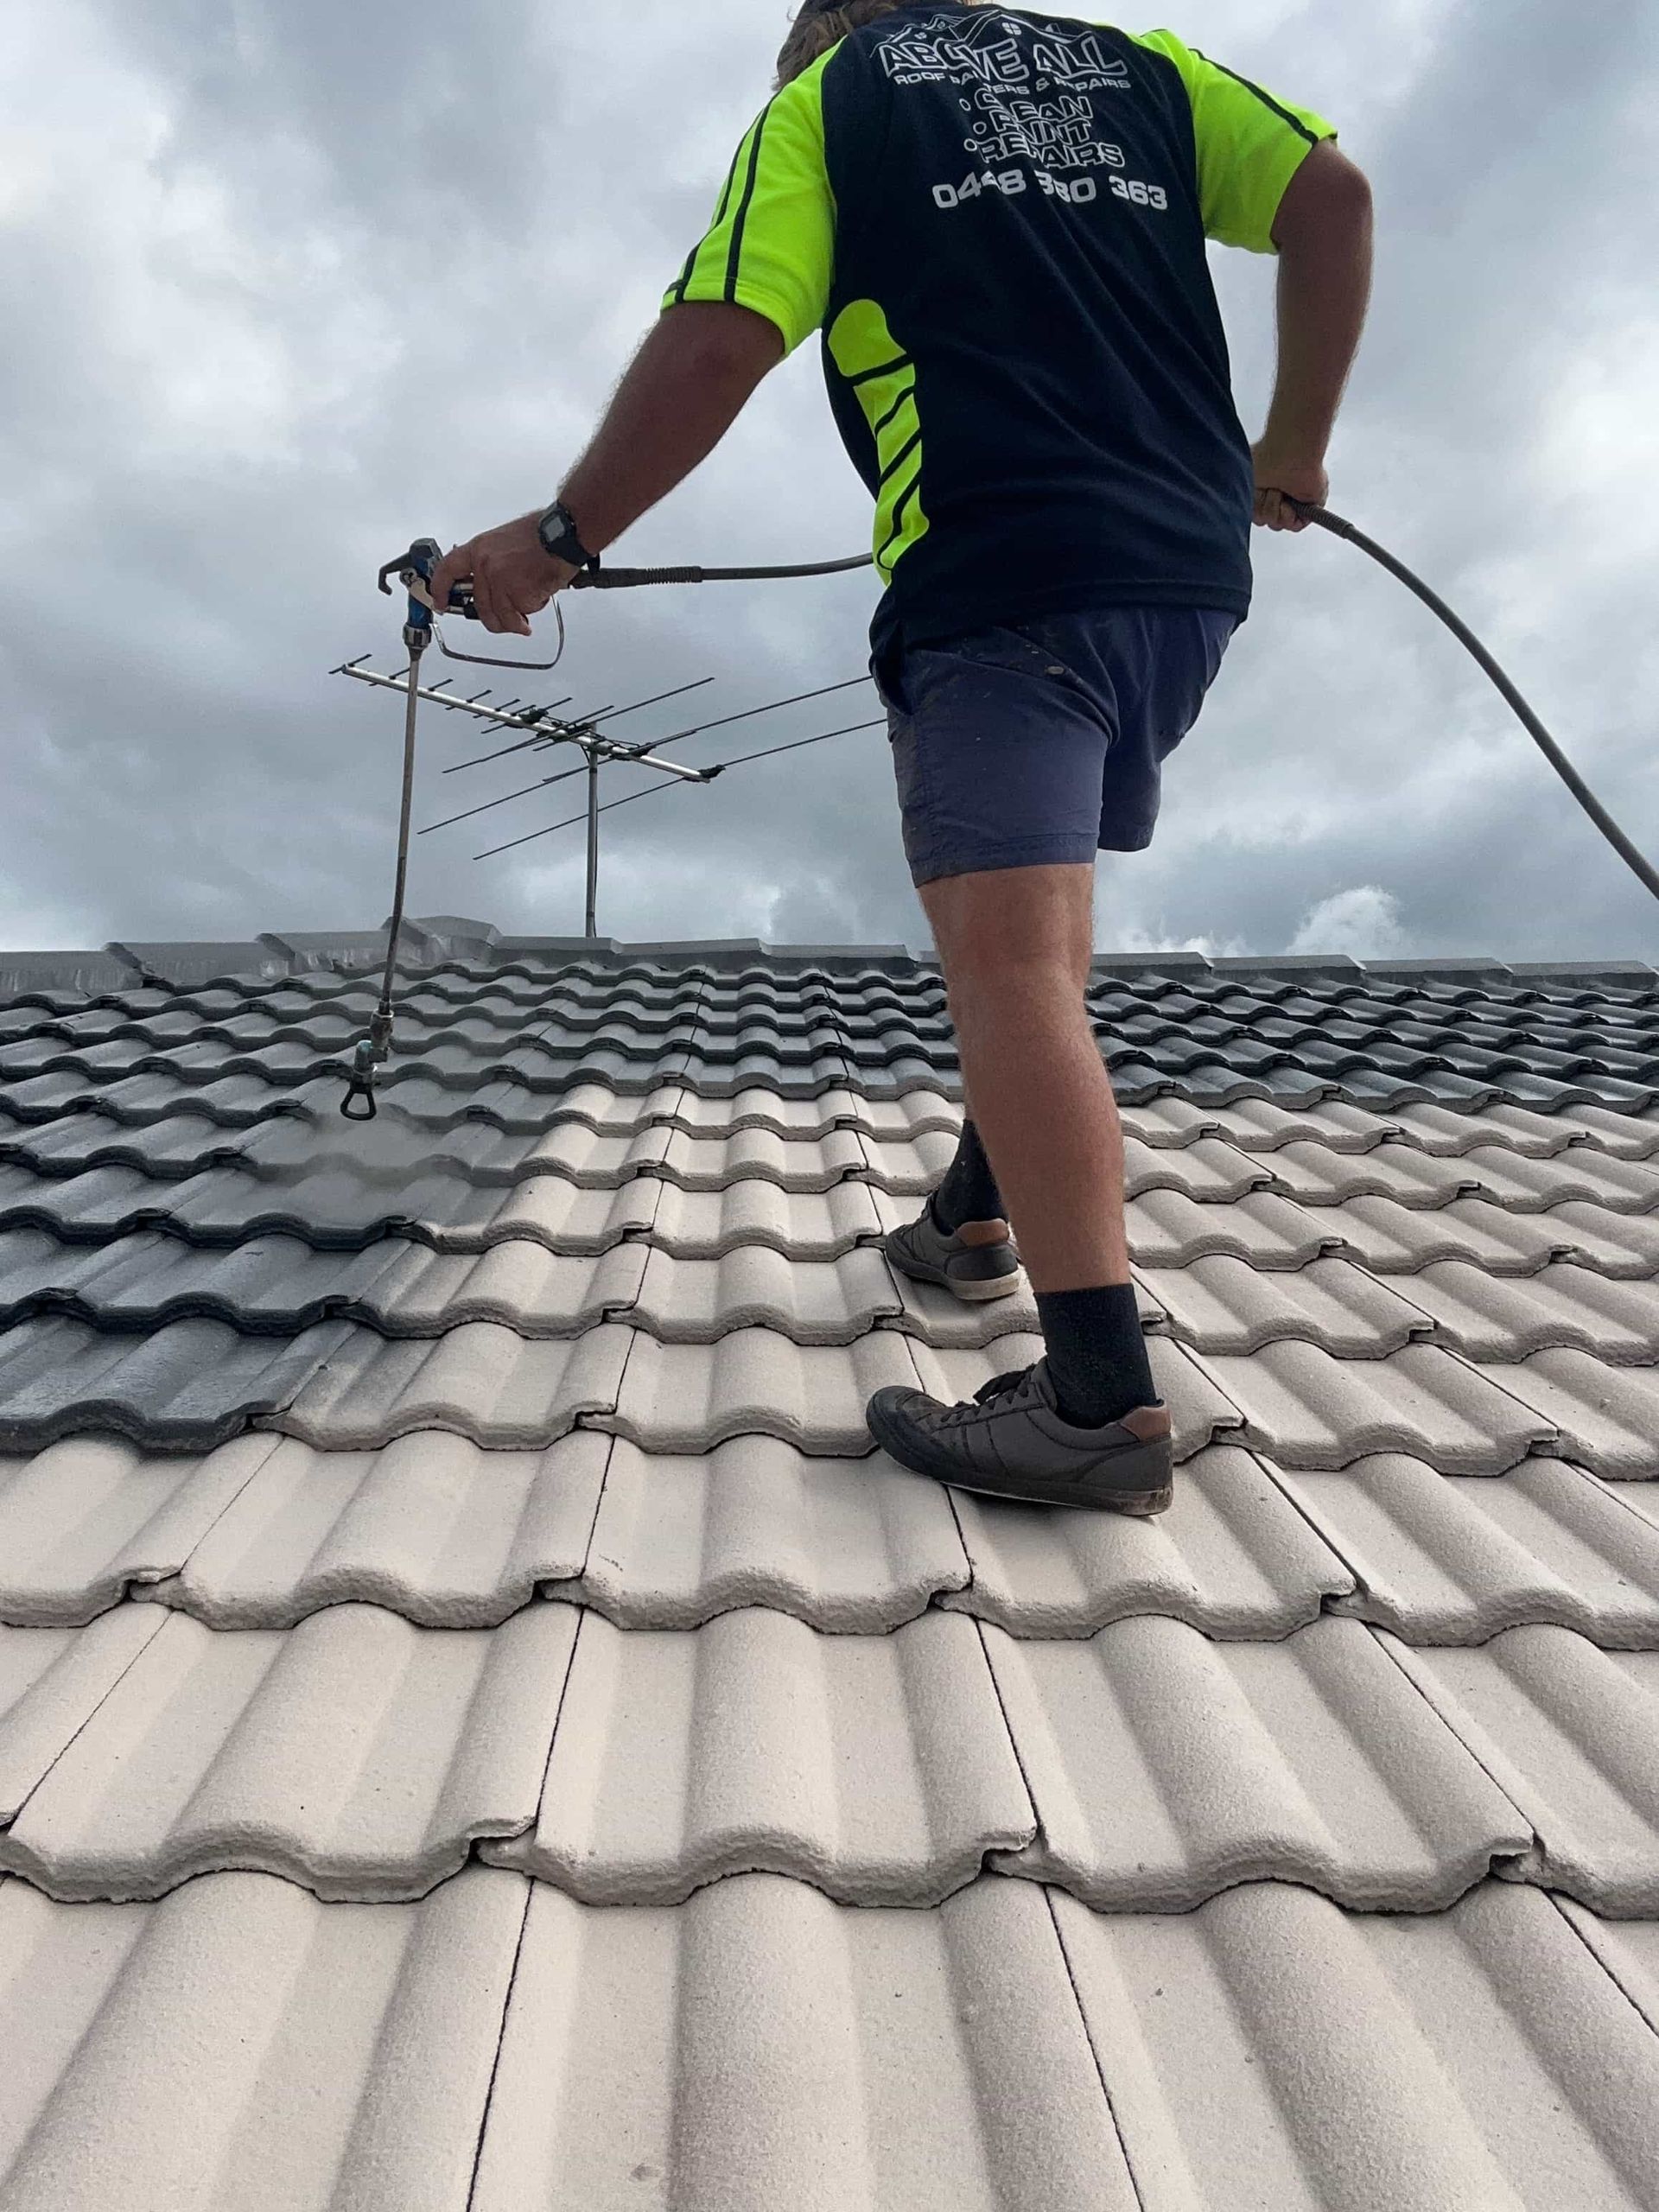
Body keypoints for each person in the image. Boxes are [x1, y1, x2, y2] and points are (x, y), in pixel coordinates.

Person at [430, 2, 1373, 1516]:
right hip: (1185, 579)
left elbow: (723, 334)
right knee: (1044, 931)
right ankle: (974, 1213)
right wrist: (1298, 447)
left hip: (996, 573)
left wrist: (557, 543)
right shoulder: (1140, 70)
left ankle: (1093, 1399)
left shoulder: (836, 103)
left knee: (1002, 964)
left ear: (815, 41)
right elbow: (1331, 191)